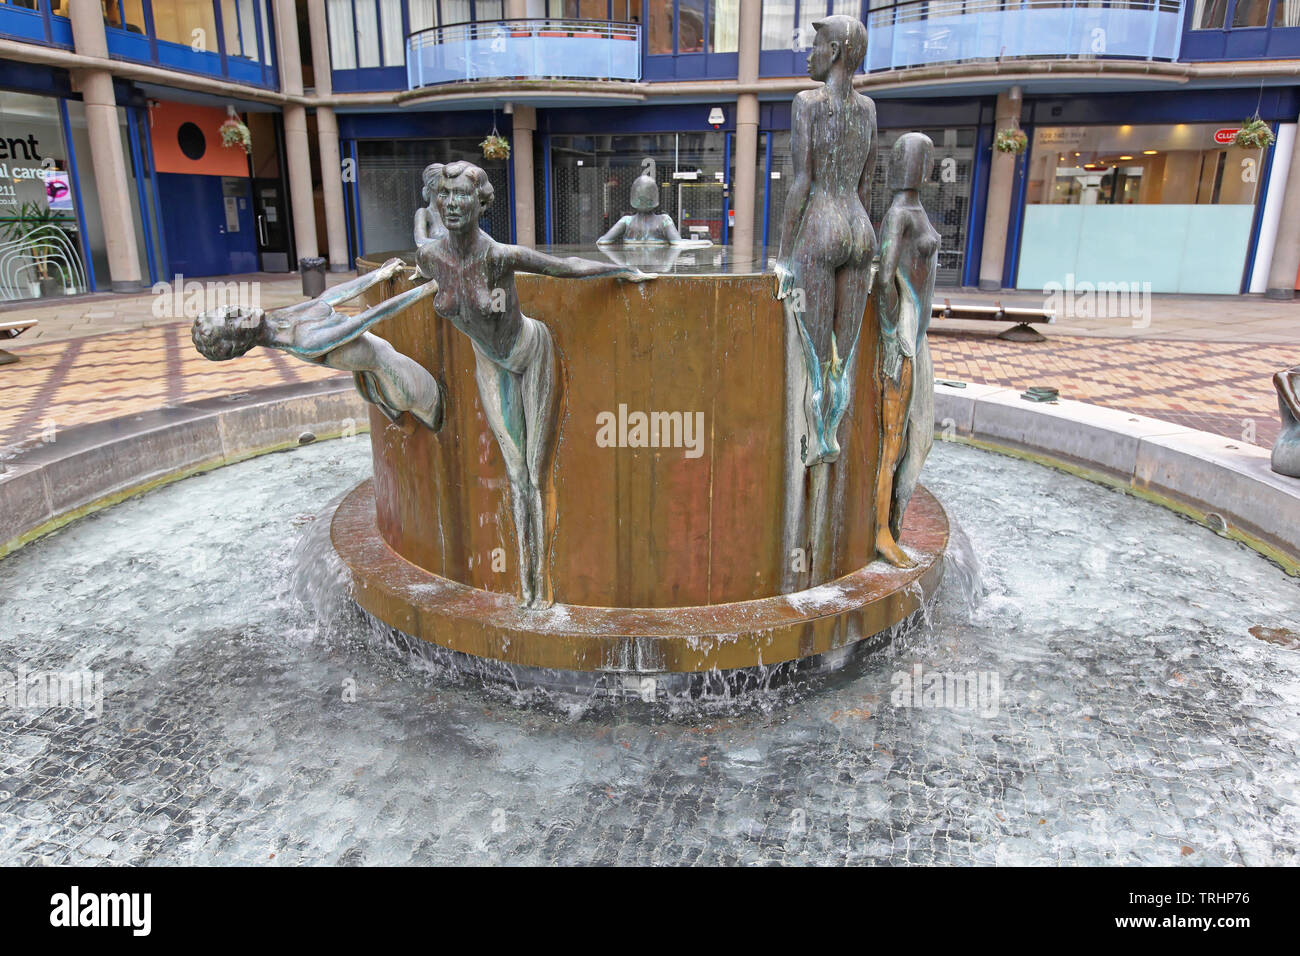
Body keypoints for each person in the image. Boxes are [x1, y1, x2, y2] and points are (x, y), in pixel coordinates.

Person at [415, 160, 652, 608]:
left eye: (462, 195)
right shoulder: (430, 258)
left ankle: (541, 586)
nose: (451, 204)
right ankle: (526, 590)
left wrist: (621, 272)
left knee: (534, 472)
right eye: (444, 195)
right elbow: (422, 268)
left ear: (481, 203)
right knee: (514, 469)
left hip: (531, 352)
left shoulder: (500, 256)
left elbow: (564, 268)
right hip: (489, 361)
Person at [773, 14, 877, 468]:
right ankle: (836, 428)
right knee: (845, 353)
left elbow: (802, 183)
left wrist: (781, 258)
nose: (809, 55)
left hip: (820, 227)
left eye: (815, 46)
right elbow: (867, 185)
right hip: (859, 229)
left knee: (816, 354)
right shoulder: (868, 109)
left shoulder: (807, 102)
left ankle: (816, 438)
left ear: (834, 52)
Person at [191, 257, 445, 432]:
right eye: (230, 320)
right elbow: (371, 316)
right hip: (400, 380)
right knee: (438, 416)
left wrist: (379, 275)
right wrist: (432, 287)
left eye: (227, 309)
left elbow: (329, 298)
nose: (235, 309)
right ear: (239, 343)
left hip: (383, 369)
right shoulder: (305, 342)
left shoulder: (279, 319)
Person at [874, 133, 941, 568]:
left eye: (920, 158)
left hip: (917, 339)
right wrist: (895, 329)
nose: (915, 165)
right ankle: (881, 531)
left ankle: (892, 521)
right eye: (909, 158)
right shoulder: (899, 214)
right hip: (903, 340)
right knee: (892, 442)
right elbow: (883, 279)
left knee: (918, 438)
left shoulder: (914, 211)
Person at [413, 163, 447, 246]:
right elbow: (420, 241)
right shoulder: (424, 213)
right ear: (432, 184)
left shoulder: (451, 211)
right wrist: (449, 245)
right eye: (445, 179)